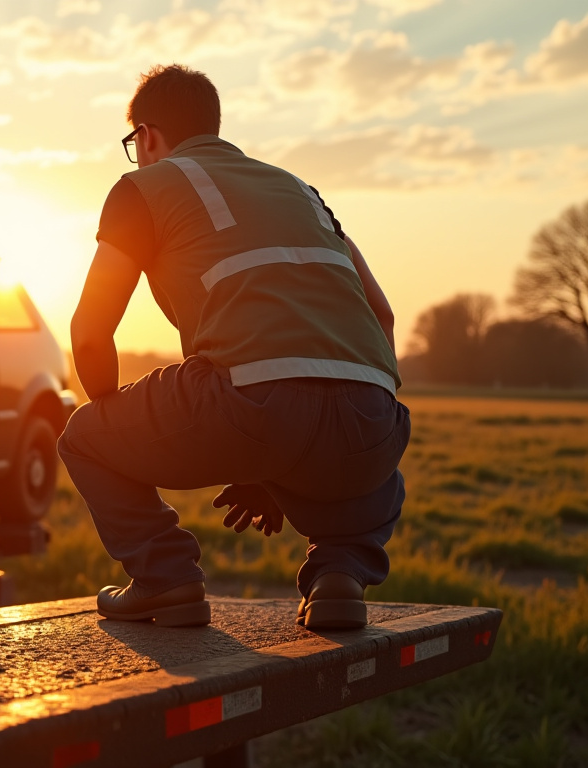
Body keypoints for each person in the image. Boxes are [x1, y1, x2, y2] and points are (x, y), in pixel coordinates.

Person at [58, 64, 409, 630]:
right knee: (374, 464)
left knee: (85, 438)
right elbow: (382, 315)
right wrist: (280, 455)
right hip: (373, 417)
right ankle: (340, 573)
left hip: (245, 398)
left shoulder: (143, 187)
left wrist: (112, 420)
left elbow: (90, 332)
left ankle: (165, 577)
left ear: (145, 135)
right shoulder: (302, 190)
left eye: (133, 143)